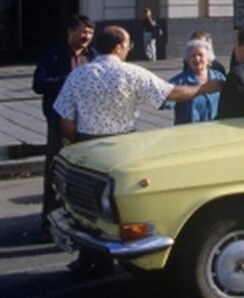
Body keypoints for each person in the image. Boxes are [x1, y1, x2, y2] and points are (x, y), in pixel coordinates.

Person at [53, 25, 221, 277]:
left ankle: (89, 255)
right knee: (113, 205)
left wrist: (73, 141)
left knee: (86, 206)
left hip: (85, 144)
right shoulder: (131, 73)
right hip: (121, 145)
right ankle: (115, 252)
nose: (130, 49)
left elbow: (64, 117)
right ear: (119, 47)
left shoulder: (78, 74)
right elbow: (171, 93)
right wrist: (203, 88)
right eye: (129, 45)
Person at [31, 13, 95, 239]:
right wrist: (67, 79)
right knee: (55, 172)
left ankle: (82, 222)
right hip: (59, 123)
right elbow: (38, 84)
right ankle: (49, 223)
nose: (86, 36)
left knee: (86, 174)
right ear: (70, 32)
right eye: (82, 31)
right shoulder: (53, 56)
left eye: (90, 32)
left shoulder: (94, 57)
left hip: (87, 125)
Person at [165, 38, 225, 124]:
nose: (197, 59)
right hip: (188, 132)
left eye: (200, 55)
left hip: (214, 130)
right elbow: (163, 100)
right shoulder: (179, 81)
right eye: (193, 56)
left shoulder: (219, 77)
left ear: (208, 58)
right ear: (188, 60)